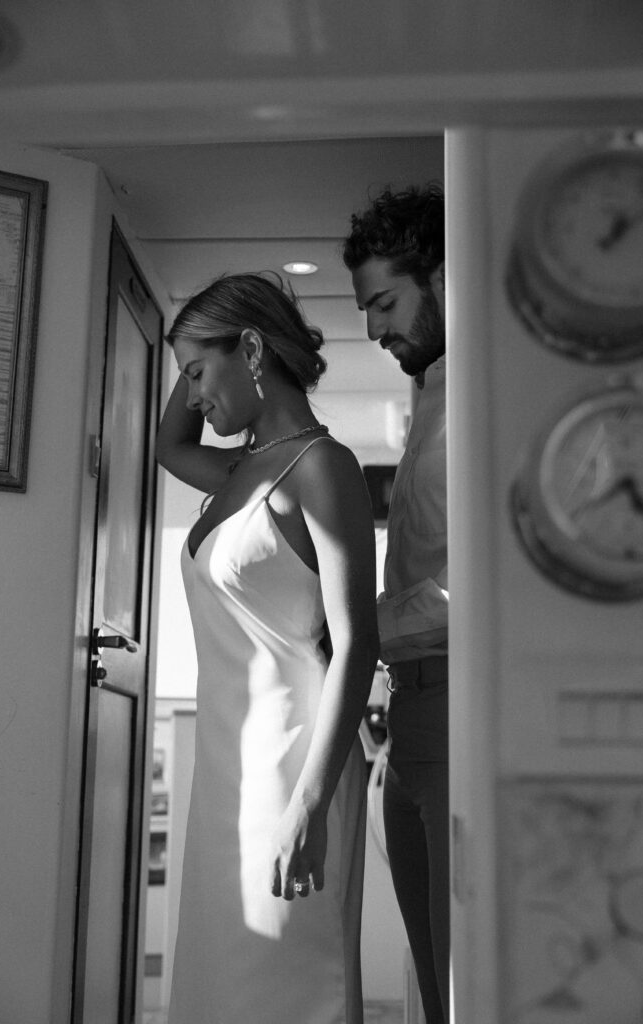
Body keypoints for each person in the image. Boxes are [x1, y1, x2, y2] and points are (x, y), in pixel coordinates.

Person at [156, 272, 379, 1024]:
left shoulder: (320, 467)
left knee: (289, 983)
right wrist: (189, 335)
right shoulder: (235, 472)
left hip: (293, 766)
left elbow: (355, 643)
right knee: (219, 983)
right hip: (226, 772)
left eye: (196, 372)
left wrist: (308, 808)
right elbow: (168, 442)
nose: (191, 396)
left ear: (250, 348)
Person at [343, 184, 450, 1024]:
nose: (373, 328)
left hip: (455, 709)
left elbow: (485, 592)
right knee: (431, 972)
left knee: (466, 980)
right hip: (408, 718)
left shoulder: (485, 403)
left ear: (442, 278)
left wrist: (352, 630)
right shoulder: (428, 402)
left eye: (384, 302)